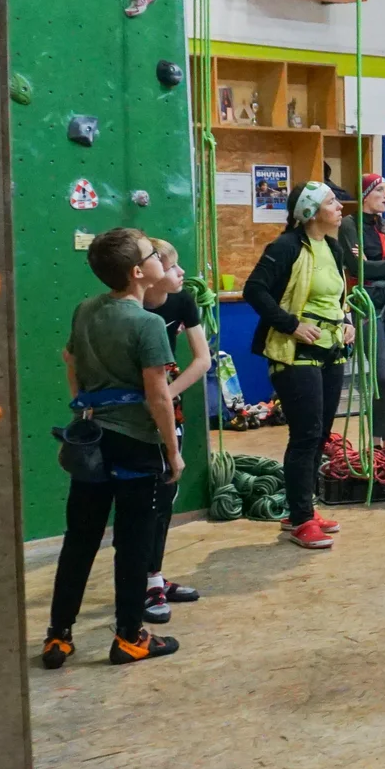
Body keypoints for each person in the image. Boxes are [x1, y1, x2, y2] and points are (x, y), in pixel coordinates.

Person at [41, 228, 184, 668]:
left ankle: (58, 636)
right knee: (133, 540)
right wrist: (172, 451)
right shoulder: (148, 324)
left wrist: (85, 409)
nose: (160, 256)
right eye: (151, 254)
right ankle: (129, 636)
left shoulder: (86, 310)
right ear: (140, 273)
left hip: (93, 439)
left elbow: (71, 363)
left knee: (80, 539)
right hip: (136, 443)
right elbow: (158, 395)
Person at [243, 181, 355, 550]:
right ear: (310, 212)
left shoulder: (333, 247)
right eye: (331, 201)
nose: (339, 206)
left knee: (321, 434)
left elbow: (337, 297)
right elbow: (254, 290)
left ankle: (301, 510)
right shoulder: (287, 247)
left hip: (330, 348)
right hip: (294, 353)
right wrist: (291, 324)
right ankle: (302, 518)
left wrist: (347, 321)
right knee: (305, 434)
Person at [141, 239, 211, 622]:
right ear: (147, 275)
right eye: (172, 267)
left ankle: (154, 575)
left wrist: (166, 394)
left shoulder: (182, 302)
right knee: (142, 497)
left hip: (166, 402)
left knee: (166, 492)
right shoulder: (127, 308)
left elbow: (202, 360)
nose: (182, 273)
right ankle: (143, 579)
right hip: (132, 408)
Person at [337, 173, 385, 461]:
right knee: (380, 374)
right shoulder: (349, 225)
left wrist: (374, 264)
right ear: (366, 194)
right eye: (381, 189)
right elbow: (356, 268)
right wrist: (384, 265)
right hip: (366, 305)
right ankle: (374, 438)